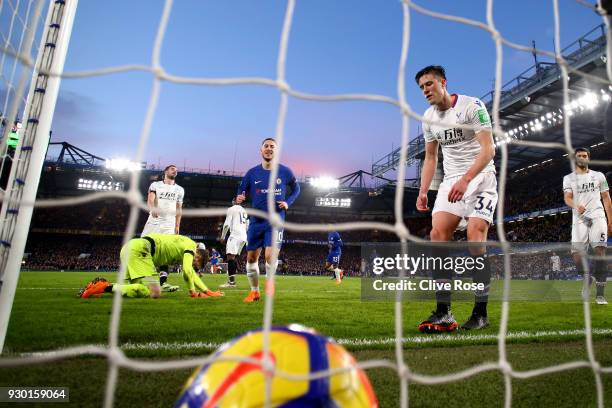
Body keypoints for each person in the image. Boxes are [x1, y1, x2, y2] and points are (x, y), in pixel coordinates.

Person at [415, 65, 496, 332]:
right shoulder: (428, 118)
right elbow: (430, 157)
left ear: (443, 83)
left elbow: (489, 150)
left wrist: (467, 179)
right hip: (451, 181)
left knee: (475, 238)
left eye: (429, 84)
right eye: (421, 87)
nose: (425, 90)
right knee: (438, 235)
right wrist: (424, 190)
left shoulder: (472, 106)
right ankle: (443, 312)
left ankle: (480, 312)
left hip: (482, 177)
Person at [236, 138, 301, 303]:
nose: (269, 148)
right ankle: (254, 292)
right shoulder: (252, 173)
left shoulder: (285, 171)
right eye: (266, 146)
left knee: (270, 256)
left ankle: (270, 282)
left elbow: (296, 188)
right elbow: (241, 189)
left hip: (275, 220)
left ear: (276, 151)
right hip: (256, 222)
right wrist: (240, 195)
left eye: (272, 146)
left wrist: (288, 202)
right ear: (261, 150)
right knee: (251, 259)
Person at [78, 234, 224, 299]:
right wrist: (196, 292)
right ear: (198, 256)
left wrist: (205, 291)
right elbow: (187, 271)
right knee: (155, 292)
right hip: (141, 251)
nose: (193, 264)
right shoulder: (191, 246)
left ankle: (96, 287)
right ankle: (104, 286)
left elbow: (190, 272)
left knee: (139, 290)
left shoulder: (183, 245)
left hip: (130, 248)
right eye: (196, 263)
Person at [563, 147, 612, 305]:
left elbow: (606, 198)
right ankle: (587, 278)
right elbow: (567, 198)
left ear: (588, 158)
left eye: (585, 155)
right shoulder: (568, 178)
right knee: (577, 256)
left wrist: (610, 220)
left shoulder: (599, 176)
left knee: (600, 254)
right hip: (580, 220)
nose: (582, 158)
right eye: (579, 156)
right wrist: (576, 206)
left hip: (598, 217)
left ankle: (600, 295)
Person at [141, 164, 184, 292]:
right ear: (165, 171)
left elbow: (179, 209)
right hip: (154, 221)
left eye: (176, 170)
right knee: (144, 247)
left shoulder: (180, 190)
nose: (175, 171)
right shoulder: (155, 185)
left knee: (165, 252)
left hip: (169, 224)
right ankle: (144, 279)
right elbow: (150, 200)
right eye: (172, 169)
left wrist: (177, 225)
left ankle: (163, 283)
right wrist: (152, 208)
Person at [219, 199, 249, 288]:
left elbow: (226, 224)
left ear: (234, 202)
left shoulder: (231, 209)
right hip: (243, 236)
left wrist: (223, 236)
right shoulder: (244, 211)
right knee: (234, 257)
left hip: (235, 235)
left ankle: (231, 283)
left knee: (230, 257)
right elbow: (247, 225)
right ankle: (232, 280)